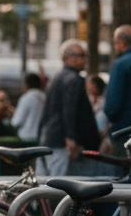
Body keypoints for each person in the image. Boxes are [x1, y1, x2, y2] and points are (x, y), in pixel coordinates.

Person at [38, 41, 101, 176]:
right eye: (81, 55)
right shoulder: (74, 80)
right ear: (69, 57)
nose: (85, 60)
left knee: (48, 182)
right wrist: (71, 137)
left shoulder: (56, 77)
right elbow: (69, 109)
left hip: (51, 137)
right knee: (58, 183)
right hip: (62, 141)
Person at [10, 72, 45, 143]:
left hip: (26, 138)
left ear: (26, 85)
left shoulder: (26, 98)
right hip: (42, 137)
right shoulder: (45, 97)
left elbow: (16, 122)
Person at [87, 75, 108, 140]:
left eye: (92, 84)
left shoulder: (105, 99)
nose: (90, 87)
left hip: (104, 129)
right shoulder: (88, 99)